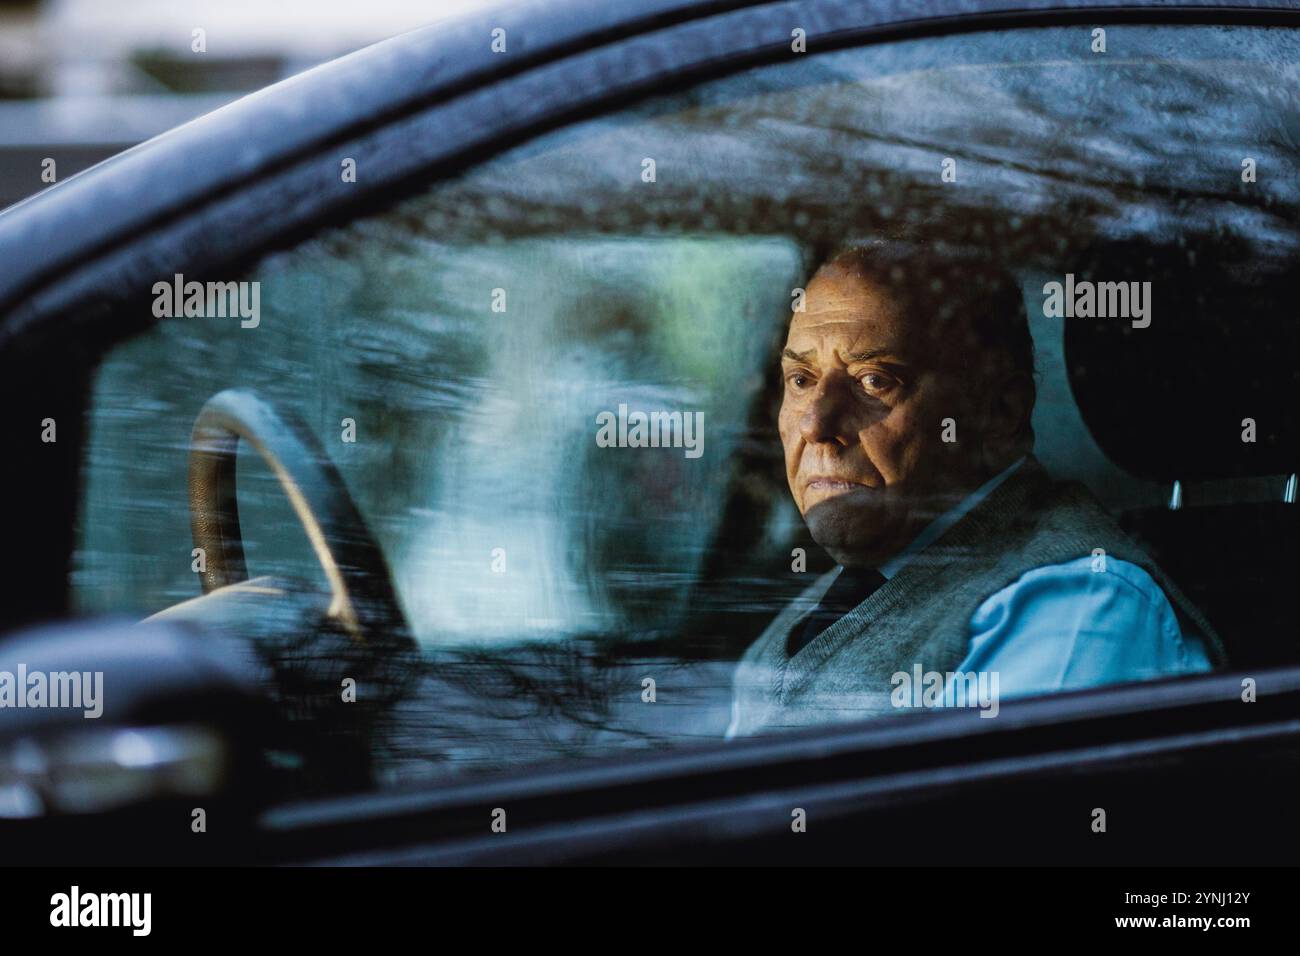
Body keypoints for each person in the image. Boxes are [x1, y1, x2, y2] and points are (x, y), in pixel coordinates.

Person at [726, 242, 1223, 737]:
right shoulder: (842, 588)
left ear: (1000, 413)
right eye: (801, 379)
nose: (815, 424)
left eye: (874, 380)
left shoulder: (1076, 606)